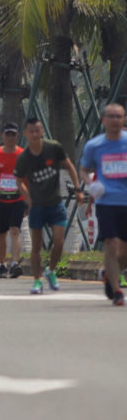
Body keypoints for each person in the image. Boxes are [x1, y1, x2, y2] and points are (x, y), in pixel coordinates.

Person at [15, 117, 84, 294]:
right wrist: (28, 199)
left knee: (59, 242)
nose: (35, 134)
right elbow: (19, 181)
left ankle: (51, 270)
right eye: (32, 132)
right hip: (37, 206)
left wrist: (77, 189)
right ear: (26, 134)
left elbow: (69, 166)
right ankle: (37, 280)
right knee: (36, 246)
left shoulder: (53, 148)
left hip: (55, 203)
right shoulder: (24, 157)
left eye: (38, 130)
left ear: (42, 131)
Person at [80, 103, 127, 306]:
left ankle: (110, 273)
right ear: (103, 120)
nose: (115, 120)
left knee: (124, 252)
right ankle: (117, 290)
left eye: (119, 116)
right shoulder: (94, 145)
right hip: (106, 201)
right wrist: (91, 185)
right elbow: (83, 169)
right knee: (110, 243)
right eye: (111, 116)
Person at [0, 123, 26, 278]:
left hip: (18, 197)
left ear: (17, 136)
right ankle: (2, 264)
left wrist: (29, 198)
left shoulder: (23, 155)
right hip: (0, 199)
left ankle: (15, 263)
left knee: (15, 230)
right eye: (7, 134)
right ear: (2, 136)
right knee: (1, 233)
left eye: (13, 135)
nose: (10, 138)